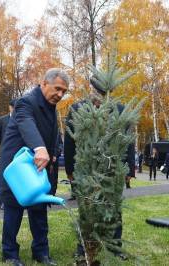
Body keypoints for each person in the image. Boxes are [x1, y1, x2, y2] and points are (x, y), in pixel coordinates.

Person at [0, 68, 69, 266]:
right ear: (44, 83)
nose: (60, 95)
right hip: (18, 168)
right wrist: (39, 148)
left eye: (64, 91)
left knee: (39, 210)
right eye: (58, 88)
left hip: (37, 167)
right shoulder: (26, 102)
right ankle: (10, 254)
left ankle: (41, 252)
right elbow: (27, 124)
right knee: (14, 210)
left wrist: (53, 152)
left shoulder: (50, 106)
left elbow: (51, 134)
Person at [64, 77, 135, 260]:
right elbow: (69, 140)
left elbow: (128, 141)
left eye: (101, 91)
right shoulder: (77, 109)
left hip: (113, 170)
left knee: (114, 206)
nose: (98, 95)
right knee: (86, 207)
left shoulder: (120, 110)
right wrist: (70, 169)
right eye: (95, 91)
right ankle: (84, 246)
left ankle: (115, 246)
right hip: (86, 168)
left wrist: (129, 170)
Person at [0, 99, 16, 210]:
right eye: (14, 108)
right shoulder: (3, 120)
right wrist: (5, 145)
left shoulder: (21, 119)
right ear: (10, 107)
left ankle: (15, 200)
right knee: (3, 177)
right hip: (6, 153)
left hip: (18, 154)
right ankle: (2, 201)